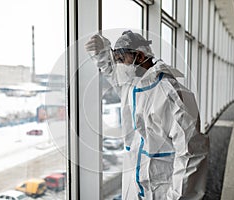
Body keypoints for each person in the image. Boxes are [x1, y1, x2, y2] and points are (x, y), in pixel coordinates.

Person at [85, 30, 209, 200]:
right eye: (117, 60)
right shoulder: (132, 86)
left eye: (122, 60)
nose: (118, 65)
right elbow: (112, 72)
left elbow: (191, 152)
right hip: (136, 182)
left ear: (141, 56)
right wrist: (101, 53)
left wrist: (177, 197)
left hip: (163, 188)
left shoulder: (170, 94)